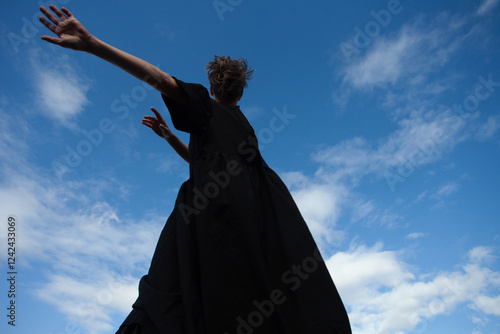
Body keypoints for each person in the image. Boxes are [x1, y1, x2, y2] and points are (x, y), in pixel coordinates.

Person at [39, 5, 352, 334]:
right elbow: (208, 165)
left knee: (173, 295)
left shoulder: (204, 105)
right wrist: (171, 137)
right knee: (251, 296)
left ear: (213, 89)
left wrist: (93, 44)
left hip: (210, 218)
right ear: (240, 92)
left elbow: (160, 79)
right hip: (253, 219)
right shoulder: (245, 130)